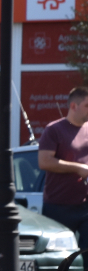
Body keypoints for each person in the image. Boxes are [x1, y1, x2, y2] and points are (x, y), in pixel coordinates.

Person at [37, 86, 88, 244]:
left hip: (85, 205)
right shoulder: (54, 130)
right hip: (59, 206)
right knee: (61, 256)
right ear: (74, 106)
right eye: (87, 106)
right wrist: (78, 168)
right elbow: (44, 161)